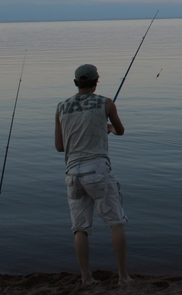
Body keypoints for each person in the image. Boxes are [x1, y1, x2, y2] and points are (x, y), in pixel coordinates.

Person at [54, 64, 131, 286]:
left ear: (76, 83)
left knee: (80, 228)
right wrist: (108, 129)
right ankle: (123, 276)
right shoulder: (106, 103)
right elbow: (121, 131)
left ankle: (86, 277)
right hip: (97, 171)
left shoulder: (61, 107)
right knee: (116, 222)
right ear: (97, 81)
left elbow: (60, 147)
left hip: (72, 174)